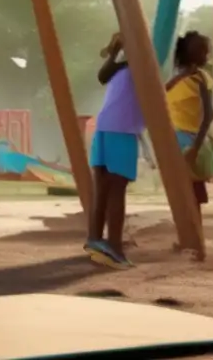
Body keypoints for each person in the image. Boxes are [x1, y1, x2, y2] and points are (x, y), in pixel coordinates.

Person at [85, 33, 144, 269]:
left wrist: (114, 51)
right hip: (123, 130)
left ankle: (95, 239)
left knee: (102, 188)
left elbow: (101, 75)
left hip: (104, 127)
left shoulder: (118, 69)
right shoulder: (137, 68)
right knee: (117, 188)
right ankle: (115, 248)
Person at [165, 30, 213, 212]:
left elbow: (209, 114)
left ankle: (194, 238)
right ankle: (187, 238)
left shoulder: (201, 79)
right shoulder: (177, 79)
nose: (207, 55)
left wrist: (195, 147)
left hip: (192, 140)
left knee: (192, 196)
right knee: (181, 195)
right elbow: (161, 94)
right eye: (204, 51)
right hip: (176, 139)